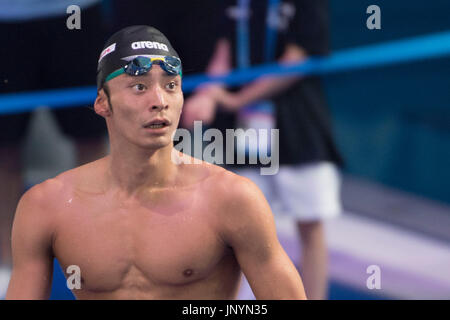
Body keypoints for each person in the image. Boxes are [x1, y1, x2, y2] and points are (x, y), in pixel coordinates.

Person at [6, 25, 307, 300]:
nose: (159, 100)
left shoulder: (231, 198)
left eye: (171, 86)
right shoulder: (46, 206)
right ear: (103, 103)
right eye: (139, 87)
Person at [181, 0, 344, 300]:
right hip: (242, 132)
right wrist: (206, 95)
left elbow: (296, 61)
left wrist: (236, 99)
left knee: (310, 222)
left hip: (299, 127)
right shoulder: (234, 4)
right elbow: (223, 56)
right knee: (240, 230)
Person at [0, 0, 107, 295]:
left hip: (77, 12)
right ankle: (7, 270)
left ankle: (96, 260)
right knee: (3, 149)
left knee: (91, 137)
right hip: (6, 19)